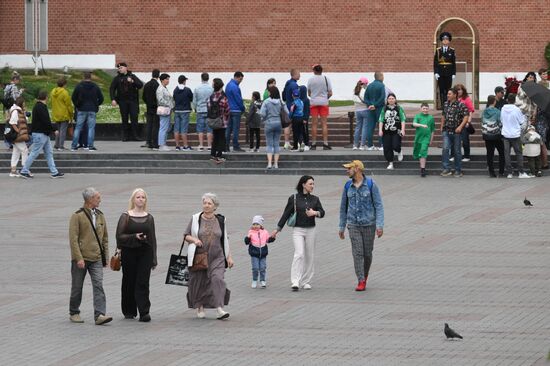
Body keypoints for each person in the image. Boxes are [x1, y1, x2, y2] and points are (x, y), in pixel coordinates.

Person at [183, 192, 234, 319]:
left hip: (217, 256)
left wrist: (229, 256)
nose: (206, 206)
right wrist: (194, 240)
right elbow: (186, 235)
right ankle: (199, 306)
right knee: (199, 282)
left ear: (215, 206)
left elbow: (225, 239)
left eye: (209, 203)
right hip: (199, 256)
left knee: (218, 279)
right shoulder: (196, 218)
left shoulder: (221, 220)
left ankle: (219, 308)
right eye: (204, 203)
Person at [272, 175, 325, 291]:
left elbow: (322, 212)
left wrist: (315, 213)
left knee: (309, 256)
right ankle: (295, 281)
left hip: (311, 230)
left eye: (313, 184)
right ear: (303, 184)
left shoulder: (315, 199)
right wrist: (277, 229)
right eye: (310, 184)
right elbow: (285, 214)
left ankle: (305, 281)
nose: (312, 186)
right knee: (299, 254)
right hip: (298, 230)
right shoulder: (294, 198)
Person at [69, 187, 112, 325]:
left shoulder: (100, 215)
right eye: (97, 198)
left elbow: (105, 238)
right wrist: (78, 258)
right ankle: (74, 312)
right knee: (77, 286)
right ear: (90, 200)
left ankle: (100, 315)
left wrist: (105, 257)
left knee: (98, 285)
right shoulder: (77, 216)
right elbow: (73, 239)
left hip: (97, 258)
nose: (100, 200)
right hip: (81, 258)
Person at [339, 160, 384, 291]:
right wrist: (341, 226)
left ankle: (365, 274)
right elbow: (343, 208)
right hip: (353, 224)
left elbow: (379, 206)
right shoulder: (348, 186)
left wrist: (379, 225)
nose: (347, 171)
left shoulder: (371, 185)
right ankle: (361, 280)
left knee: (367, 254)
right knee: (357, 253)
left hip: (369, 224)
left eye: (349, 168)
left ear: (357, 169)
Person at [116, 188, 158, 322]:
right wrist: (134, 236)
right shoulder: (125, 216)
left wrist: (154, 259)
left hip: (145, 252)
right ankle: (129, 310)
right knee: (129, 280)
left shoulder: (149, 217)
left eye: (143, 197)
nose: (140, 199)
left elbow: (153, 239)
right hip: (129, 252)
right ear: (133, 199)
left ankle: (144, 311)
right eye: (138, 197)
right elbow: (119, 236)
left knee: (143, 282)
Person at [19, 91, 64, 179]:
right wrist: (54, 129)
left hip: (43, 134)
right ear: (46, 97)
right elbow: (45, 120)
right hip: (40, 134)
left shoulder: (37, 106)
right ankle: (24, 171)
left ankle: (54, 172)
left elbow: (43, 120)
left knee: (49, 153)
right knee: (34, 153)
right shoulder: (41, 107)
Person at [109, 62, 144, 141]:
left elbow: (140, 85)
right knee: (124, 118)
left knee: (134, 118)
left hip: (133, 101)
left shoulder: (132, 76)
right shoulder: (117, 78)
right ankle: (125, 136)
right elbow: (112, 89)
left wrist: (132, 81)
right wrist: (113, 99)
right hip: (122, 101)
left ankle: (135, 136)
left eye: (121, 68)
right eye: (118, 68)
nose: (119, 69)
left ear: (125, 68)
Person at [71, 71, 104, 152]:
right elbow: (101, 98)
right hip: (92, 109)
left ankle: (74, 146)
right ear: (90, 77)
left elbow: (73, 97)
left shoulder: (79, 86)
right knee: (91, 128)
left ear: (83, 77)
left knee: (78, 128)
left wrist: (77, 105)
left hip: (81, 109)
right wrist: (96, 104)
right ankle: (90, 146)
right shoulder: (95, 86)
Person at [440, 88, 469, 177]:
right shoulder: (445, 104)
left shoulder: (461, 105)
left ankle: (458, 170)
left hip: (457, 132)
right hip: (446, 131)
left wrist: (460, 127)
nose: (448, 95)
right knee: (445, 149)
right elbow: (443, 115)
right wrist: (441, 126)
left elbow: (466, 116)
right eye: (447, 94)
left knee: (457, 151)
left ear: (455, 95)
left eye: (449, 94)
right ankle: (446, 169)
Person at [501, 93, 531, 178]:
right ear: (514, 100)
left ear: (507, 100)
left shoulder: (503, 109)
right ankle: (521, 172)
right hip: (515, 135)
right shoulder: (517, 110)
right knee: (519, 153)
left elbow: (502, 121)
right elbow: (521, 121)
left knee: (507, 153)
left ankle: (509, 173)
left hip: (505, 134)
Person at [244, 215, 275, 288]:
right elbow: (246, 242)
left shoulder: (265, 232)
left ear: (260, 225)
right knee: (255, 268)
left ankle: (262, 280)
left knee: (262, 268)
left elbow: (268, 240)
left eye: (257, 224)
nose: (255, 226)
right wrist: (248, 238)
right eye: (254, 224)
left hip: (263, 253)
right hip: (254, 253)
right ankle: (254, 280)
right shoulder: (251, 232)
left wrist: (272, 238)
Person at [260, 86, 288, 169]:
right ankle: (276, 164)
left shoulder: (266, 102)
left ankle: (269, 163)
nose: (268, 93)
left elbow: (262, 114)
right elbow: (287, 112)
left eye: (269, 92)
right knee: (276, 143)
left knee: (269, 144)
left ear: (271, 93)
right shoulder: (281, 102)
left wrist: (264, 119)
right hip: (278, 123)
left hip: (269, 123)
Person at [307, 64, 333, 150]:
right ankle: (325, 143)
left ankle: (313, 144)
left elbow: (309, 93)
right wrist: (325, 98)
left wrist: (314, 97)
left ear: (314, 71)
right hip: (324, 103)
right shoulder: (326, 78)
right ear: (321, 70)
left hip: (314, 103)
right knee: (324, 124)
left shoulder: (311, 79)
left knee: (314, 124)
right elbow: (330, 92)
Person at [378, 93, 406, 170]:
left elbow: (403, 120)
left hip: (396, 131)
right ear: (387, 100)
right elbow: (381, 120)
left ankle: (399, 151)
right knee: (387, 147)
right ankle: (390, 163)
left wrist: (403, 130)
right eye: (389, 98)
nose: (391, 100)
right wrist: (380, 130)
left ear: (395, 100)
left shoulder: (399, 108)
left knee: (395, 145)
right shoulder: (384, 109)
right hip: (386, 131)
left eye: (392, 98)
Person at [481, 95, 505, 177]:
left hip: (487, 135)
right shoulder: (498, 111)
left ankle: (492, 172)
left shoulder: (484, 111)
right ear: (494, 101)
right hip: (496, 135)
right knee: (502, 153)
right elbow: (500, 122)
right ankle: (501, 172)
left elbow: (482, 121)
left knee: (489, 153)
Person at [208, 78, 230, 163]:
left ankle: (213, 154)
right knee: (221, 138)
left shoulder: (210, 97)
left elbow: (208, 108)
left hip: (213, 120)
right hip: (222, 121)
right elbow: (227, 110)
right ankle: (219, 155)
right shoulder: (223, 98)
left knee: (215, 137)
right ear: (221, 87)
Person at [7, 97, 29, 177]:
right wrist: (18, 132)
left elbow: (25, 120)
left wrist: (24, 112)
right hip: (17, 135)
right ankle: (24, 169)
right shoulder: (16, 111)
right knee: (25, 150)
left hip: (16, 135)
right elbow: (12, 122)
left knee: (16, 152)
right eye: (24, 102)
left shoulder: (19, 110)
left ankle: (13, 171)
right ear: (21, 103)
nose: (25, 104)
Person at [412, 103, 435, 177]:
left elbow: (432, 130)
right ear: (421, 109)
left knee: (423, 151)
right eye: (424, 108)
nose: (425, 110)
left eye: (426, 108)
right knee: (417, 152)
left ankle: (423, 169)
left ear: (428, 109)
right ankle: (421, 165)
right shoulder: (417, 116)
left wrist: (431, 139)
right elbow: (414, 124)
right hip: (418, 138)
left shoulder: (431, 118)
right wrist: (421, 125)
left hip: (426, 138)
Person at [51, 77, 74, 151]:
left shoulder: (53, 92)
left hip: (56, 114)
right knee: (63, 131)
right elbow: (68, 105)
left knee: (58, 130)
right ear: (64, 84)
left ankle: (56, 145)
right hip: (64, 114)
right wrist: (71, 114)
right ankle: (61, 146)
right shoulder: (65, 92)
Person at [433, 32, 456, 108]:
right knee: (442, 89)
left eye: (447, 39)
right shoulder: (438, 50)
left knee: (448, 89)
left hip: (449, 72)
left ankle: (448, 104)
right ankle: (443, 105)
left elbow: (453, 63)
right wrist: (436, 72)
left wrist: (453, 73)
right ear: (441, 41)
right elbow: (435, 62)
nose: (445, 41)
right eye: (444, 39)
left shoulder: (452, 50)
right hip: (441, 72)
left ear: (449, 41)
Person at [364, 72, 386, 150]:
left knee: (370, 127)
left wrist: (370, 105)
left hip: (370, 109)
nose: (383, 77)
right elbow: (382, 97)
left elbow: (365, 98)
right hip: (379, 108)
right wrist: (375, 105)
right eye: (383, 76)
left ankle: (370, 145)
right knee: (381, 126)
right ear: (380, 76)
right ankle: (381, 144)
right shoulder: (381, 85)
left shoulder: (369, 86)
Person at [225, 71, 245, 152]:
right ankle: (235, 146)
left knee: (228, 129)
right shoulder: (235, 87)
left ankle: (226, 145)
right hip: (236, 110)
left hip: (229, 109)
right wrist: (243, 108)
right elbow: (239, 99)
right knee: (235, 129)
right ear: (237, 77)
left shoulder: (228, 85)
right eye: (240, 79)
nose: (240, 81)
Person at [193, 72, 214, 151]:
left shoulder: (197, 88)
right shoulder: (211, 88)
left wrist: (195, 108)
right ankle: (209, 146)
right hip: (209, 110)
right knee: (209, 129)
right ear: (208, 78)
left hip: (200, 110)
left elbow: (194, 100)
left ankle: (201, 145)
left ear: (201, 78)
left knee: (200, 129)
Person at [173, 75, 194, 151]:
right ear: (184, 81)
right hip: (185, 110)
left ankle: (177, 146)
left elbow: (174, 98)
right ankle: (185, 145)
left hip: (177, 110)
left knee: (176, 129)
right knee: (184, 129)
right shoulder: (187, 90)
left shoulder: (175, 90)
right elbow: (191, 98)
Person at [455, 84, 475, 162]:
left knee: (465, 140)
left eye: (460, 89)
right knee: (455, 140)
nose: (458, 91)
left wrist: (468, 122)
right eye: (457, 90)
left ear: (463, 90)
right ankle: (454, 155)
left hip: (464, 122)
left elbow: (470, 111)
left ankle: (467, 156)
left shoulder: (466, 99)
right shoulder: (454, 99)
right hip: (455, 122)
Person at [142, 69, 160, 150]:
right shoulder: (157, 85)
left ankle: (148, 141)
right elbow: (158, 97)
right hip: (156, 108)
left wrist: (148, 103)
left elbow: (143, 97)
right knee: (155, 126)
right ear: (158, 76)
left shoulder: (147, 84)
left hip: (149, 107)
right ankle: (154, 142)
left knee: (149, 125)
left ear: (152, 75)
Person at [156, 73, 174, 152]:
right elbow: (160, 100)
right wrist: (170, 104)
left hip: (167, 110)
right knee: (163, 127)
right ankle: (161, 144)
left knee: (166, 127)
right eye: (167, 79)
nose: (168, 81)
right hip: (164, 109)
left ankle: (164, 143)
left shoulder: (164, 88)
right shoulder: (160, 89)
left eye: (168, 79)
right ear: (162, 80)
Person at [283, 70, 301, 149]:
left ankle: (286, 142)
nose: (300, 76)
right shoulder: (294, 85)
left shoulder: (287, 83)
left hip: (287, 105)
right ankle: (297, 143)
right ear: (294, 75)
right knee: (293, 126)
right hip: (293, 107)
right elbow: (296, 96)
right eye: (299, 74)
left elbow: (283, 95)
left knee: (287, 125)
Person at [352, 77, 369, 150]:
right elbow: (367, 100)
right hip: (365, 110)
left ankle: (355, 145)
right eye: (366, 84)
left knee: (358, 127)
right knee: (364, 128)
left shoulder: (355, 90)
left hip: (357, 111)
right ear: (365, 84)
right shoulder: (364, 91)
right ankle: (362, 145)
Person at [299, 85, 311, 150]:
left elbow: (307, 110)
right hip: (299, 118)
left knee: (305, 131)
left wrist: (305, 118)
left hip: (303, 118)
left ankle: (306, 143)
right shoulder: (299, 99)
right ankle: (300, 143)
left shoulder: (306, 100)